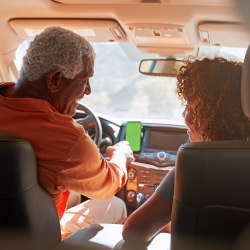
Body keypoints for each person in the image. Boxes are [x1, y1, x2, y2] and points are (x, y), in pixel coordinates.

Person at [0, 26, 133, 239]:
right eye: (85, 79)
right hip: (37, 239)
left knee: (68, 193)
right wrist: (120, 156)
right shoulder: (68, 139)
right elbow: (108, 185)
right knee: (114, 204)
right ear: (54, 80)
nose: (88, 90)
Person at [122, 57, 250, 243]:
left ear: (208, 116)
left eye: (190, 107)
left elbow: (133, 232)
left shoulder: (194, 163)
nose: (184, 116)